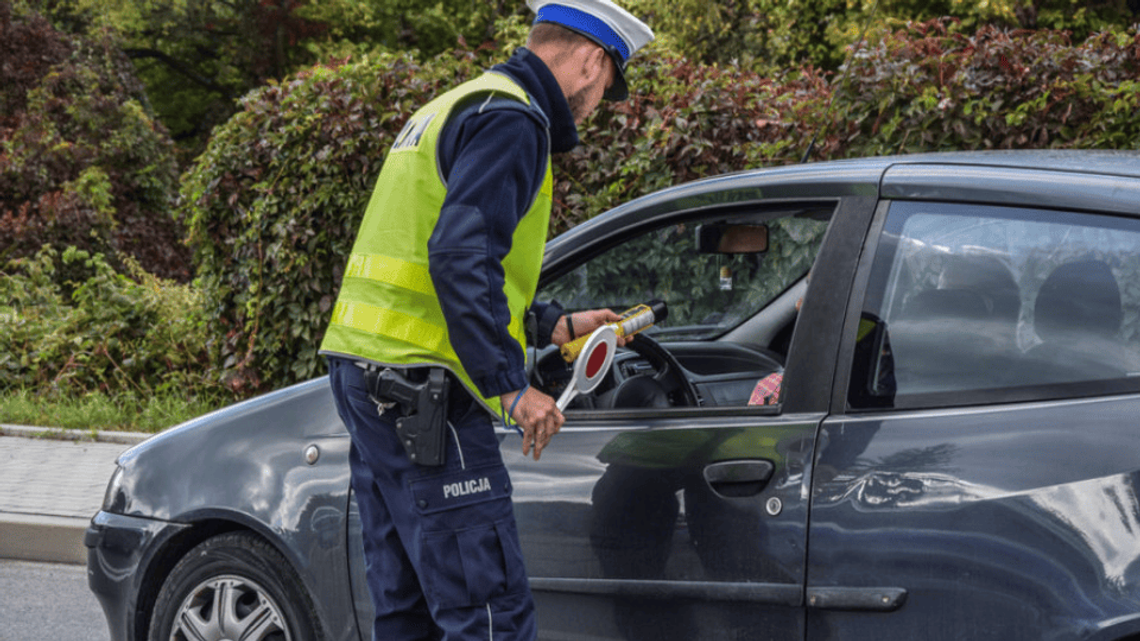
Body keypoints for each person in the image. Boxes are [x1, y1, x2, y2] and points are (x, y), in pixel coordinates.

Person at [318, 1, 654, 639]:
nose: (599, 101)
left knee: (407, 608)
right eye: (608, 83)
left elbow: (439, 260)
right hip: (428, 399)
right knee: (488, 614)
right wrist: (510, 385)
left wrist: (554, 325)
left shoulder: (456, 105)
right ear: (591, 59)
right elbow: (457, 257)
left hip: (367, 378)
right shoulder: (515, 121)